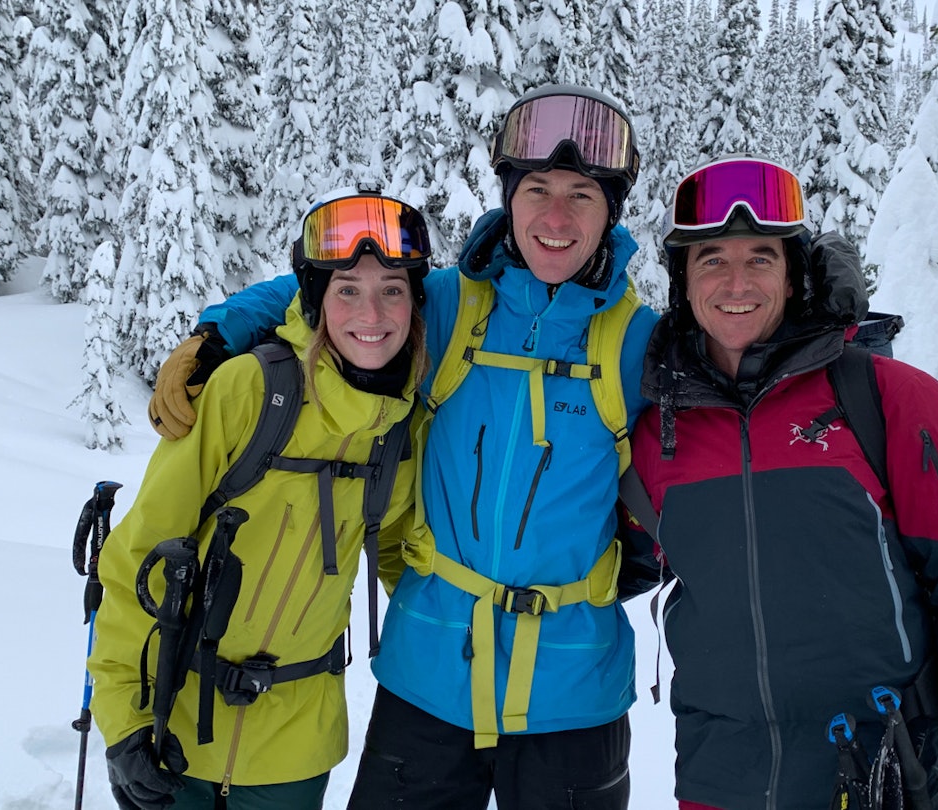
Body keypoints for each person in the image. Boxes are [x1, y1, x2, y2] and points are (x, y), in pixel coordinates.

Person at [149, 84, 658, 809]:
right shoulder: (447, 308)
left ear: (611, 210)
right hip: (428, 674)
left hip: (574, 693)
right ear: (508, 198)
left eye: (582, 194)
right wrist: (219, 333)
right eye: (537, 188)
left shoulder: (640, 345)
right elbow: (333, 291)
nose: (555, 216)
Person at [625, 154, 938, 810]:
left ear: (794, 277)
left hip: (884, 775)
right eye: (712, 260)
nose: (737, 282)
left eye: (761, 258)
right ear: (683, 281)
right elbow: (620, 563)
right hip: (718, 782)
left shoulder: (887, 399)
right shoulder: (657, 430)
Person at [88, 191, 430, 809]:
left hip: (295, 758)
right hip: (172, 726)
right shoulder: (252, 391)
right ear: (317, 300)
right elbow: (141, 555)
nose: (371, 311)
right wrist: (124, 720)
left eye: (394, 290)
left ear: (415, 303)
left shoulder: (401, 431)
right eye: (347, 288)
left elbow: (403, 558)